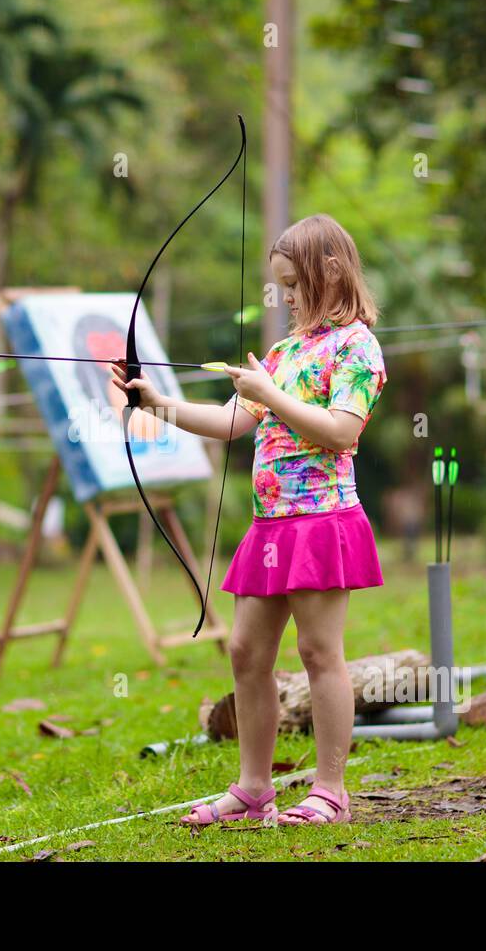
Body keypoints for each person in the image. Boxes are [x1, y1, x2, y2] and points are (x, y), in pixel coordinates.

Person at [113, 213, 386, 824]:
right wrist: (156, 402)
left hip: (321, 521)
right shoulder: (286, 352)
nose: (285, 296)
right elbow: (232, 421)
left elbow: (341, 431)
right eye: (282, 285)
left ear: (332, 270)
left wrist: (270, 395)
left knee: (319, 652)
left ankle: (330, 791)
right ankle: (253, 787)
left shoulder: (357, 346)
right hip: (270, 528)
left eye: (294, 283)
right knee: (245, 651)